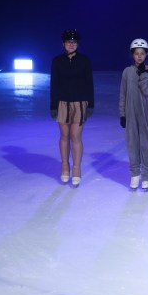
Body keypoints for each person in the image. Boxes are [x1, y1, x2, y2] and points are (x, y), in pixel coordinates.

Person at [49, 28, 94, 187]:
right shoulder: (57, 61)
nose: (71, 44)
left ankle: (76, 169)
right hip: (62, 103)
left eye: (74, 42)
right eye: (69, 42)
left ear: (78, 44)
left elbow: (89, 83)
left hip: (79, 103)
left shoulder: (84, 60)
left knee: (75, 136)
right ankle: (64, 167)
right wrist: (53, 105)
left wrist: (90, 104)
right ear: (63, 44)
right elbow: (54, 84)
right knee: (64, 135)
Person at [119, 38, 148, 190]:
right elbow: (123, 94)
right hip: (130, 115)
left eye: (142, 53)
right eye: (136, 53)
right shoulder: (127, 72)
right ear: (132, 55)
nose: (139, 56)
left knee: (145, 145)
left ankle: (147, 175)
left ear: (146, 54)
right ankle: (135, 174)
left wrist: (143, 73)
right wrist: (122, 114)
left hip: (146, 115)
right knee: (132, 144)